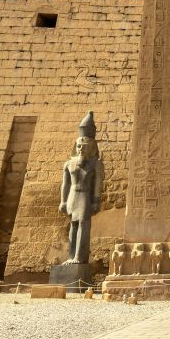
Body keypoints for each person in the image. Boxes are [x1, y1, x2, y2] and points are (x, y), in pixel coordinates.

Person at [59, 111, 104, 264]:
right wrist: (63, 201)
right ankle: (71, 256)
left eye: (84, 147)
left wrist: (96, 200)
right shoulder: (69, 163)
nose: (80, 150)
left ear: (91, 148)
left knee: (83, 225)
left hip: (84, 195)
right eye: (78, 147)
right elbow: (65, 184)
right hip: (73, 195)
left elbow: (98, 184)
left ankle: (79, 256)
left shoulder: (95, 164)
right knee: (73, 225)